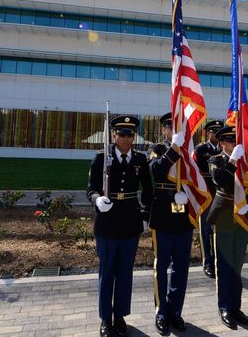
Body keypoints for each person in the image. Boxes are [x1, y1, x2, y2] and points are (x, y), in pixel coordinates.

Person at [87, 115, 153, 337]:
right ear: (114, 135)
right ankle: (106, 318)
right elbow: (91, 189)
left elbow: (148, 189)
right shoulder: (101, 158)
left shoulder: (140, 159)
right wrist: (97, 199)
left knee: (125, 273)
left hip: (130, 223)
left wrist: (145, 215)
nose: (126, 138)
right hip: (107, 223)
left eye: (130, 134)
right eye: (122, 134)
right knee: (107, 272)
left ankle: (120, 316)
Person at [148, 113, 193, 335]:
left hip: (184, 215)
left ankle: (175, 310)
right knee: (161, 265)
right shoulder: (157, 148)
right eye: (169, 126)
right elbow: (156, 170)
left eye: (176, 127)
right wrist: (174, 148)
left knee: (181, 267)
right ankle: (161, 312)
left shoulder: (189, 151)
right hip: (164, 215)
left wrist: (187, 194)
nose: (173, 130)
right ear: (164, 130)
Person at [207, 125, 248, 330]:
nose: (234, 143)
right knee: (224, 264)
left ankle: (236, 307)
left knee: (237, 263)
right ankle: (224, 307)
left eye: (236, 140)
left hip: (241, 215)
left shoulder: (245, 161)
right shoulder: (215, 160)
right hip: (224, 216)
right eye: (229, 140)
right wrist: (232, 160)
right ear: (222, 143)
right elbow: (221, 180)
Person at [194, 119, 223, 279]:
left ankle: (219, 261)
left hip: (220, 196)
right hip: (206, 196)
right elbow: (195, 173)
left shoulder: (224, 149)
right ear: (208, 133)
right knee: (205, 230)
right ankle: (207, 263)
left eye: (219, 132)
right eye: (214, 131)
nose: (217, 135)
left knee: (219, 231)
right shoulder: (200, 150)